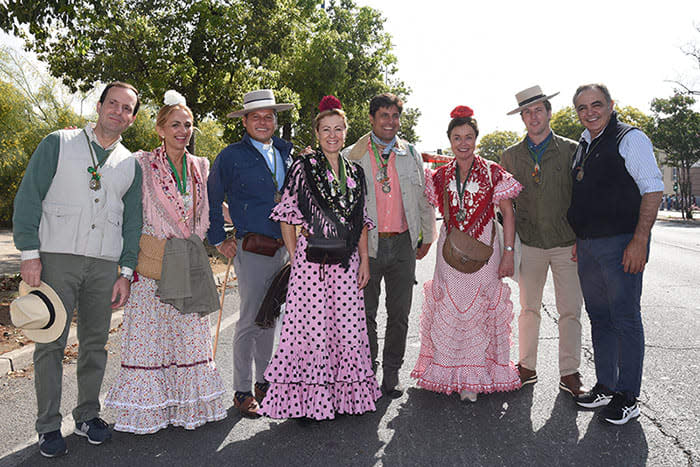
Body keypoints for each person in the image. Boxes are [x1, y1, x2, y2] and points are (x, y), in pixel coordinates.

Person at [12, 81, 142, 457]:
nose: (118, 112)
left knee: (95, 343)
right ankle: (48, 426)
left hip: (104, 266)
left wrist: (127, 271)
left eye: (126, 109)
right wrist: (29, 254)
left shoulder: (129, 164)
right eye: (112, 104)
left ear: (132, 119)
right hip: (56, 257)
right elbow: (29, 196)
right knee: (50, 343)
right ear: (99, 106)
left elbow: (132, 222)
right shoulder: (59, 142)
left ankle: (87, 415)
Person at [104, 90, 226, 433]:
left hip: (187, 261)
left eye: (188, 125)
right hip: (154, 262)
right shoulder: (141, 163)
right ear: (160, 128)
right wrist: (125, 268)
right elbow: (127, 212)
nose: (182, 131)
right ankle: (150, 412)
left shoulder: (200, 166)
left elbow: (208, 212)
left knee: (189, 336)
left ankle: (186, 407)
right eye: (175, 124)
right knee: (151, 337)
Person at [259, 96, 381, 420]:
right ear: (316, 133)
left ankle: (343, 399)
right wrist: (296, 255)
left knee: (347, 330)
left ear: (345, 131)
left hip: (346, 265)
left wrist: (365, 261)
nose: (332, 135)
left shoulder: (355, 172)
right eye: (326, 129)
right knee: (310, 333)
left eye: (338, 129)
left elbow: (362, 222)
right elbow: (287, 215)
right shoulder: (303, 167)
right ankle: (306, 403)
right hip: (311, 267)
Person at [411, 106, 523, 402]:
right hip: (449, 253)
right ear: (449, 140)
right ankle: (447, 373)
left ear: (476, 139)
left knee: (481, 312)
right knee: (451, 306)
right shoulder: (440, 176)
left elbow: (508, 216)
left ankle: (475, 378)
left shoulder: (493, 172)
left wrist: (509, 253)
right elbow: (424, 208)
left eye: (469, 137)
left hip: (486, 251)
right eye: (457, 137)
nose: (464, 143)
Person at [568, 84, 663, 425]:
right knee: (600, 317)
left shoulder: (629, 138)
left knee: (624, 318)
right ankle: (606, 385)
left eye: (596, 104)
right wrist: (583, 241)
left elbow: (652, 188)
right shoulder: (584, 142)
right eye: (582, 107)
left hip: (623, 242)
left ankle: (627, 396)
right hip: (590, 246)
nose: (589, 111)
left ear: (611, 105)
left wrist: (639, 240)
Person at [207, 89, 294, 417]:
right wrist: (219, 239)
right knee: (248, 321)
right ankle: (242, 390)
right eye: (256, 116)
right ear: (244, 121)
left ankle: (265, 382)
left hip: (285, 248)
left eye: (269, 115)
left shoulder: (287, 153)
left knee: (270, 318)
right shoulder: (230, 156)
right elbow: (212, 199)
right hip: (252, 248)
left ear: (275, 120)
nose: (263, 121)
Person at [343, 93, 435, 398]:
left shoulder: (411, 154)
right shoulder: (350, 156)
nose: (390, 122)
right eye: (384, 115)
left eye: (395, 116)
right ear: (371, 118)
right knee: (364, 313)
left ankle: (392, 372)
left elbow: (423, 199)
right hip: (364, 248)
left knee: (400, 313)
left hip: (402, 246)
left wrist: (427, 236)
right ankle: (366, 371)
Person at [500, 85, 586, 396]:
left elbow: (584, 198)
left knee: (570, 310)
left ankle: (570, 372)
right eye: (527, 111)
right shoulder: (509, 156)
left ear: (549, 113)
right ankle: (526, 367)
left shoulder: (572, 150)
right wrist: (509, 248)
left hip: (567, 243)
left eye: (538, 110)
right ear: (521, 117)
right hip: (530, 245)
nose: (533, 116)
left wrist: (582, 238)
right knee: (528, 309)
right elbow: (505, 206)